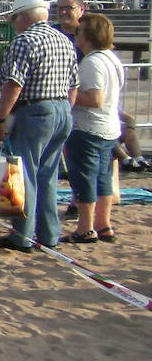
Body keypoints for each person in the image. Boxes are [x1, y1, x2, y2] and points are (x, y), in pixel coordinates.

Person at [0, 0, 77, 252]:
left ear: (24, 16)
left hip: (36, 110)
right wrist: (62, 111)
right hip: (62, 108)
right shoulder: (63, 39)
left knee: (25, 175)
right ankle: (49, 234)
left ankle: (22, 236)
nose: (14, 23)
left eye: (15, 18)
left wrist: (1, 115)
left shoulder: (24, 40)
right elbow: (74, 85)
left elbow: (13, 84)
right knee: (47, 176)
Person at [64, 13, 122, 244]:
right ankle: (103, 224)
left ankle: (86, 227)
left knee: (85, 178)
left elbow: (96, 99)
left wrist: (69, 95)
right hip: (107, 127)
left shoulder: (93, 61)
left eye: (79, 31)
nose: (76, 35)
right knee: (102, 178)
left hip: (90, 128)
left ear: (88, 36)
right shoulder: (110, 58)